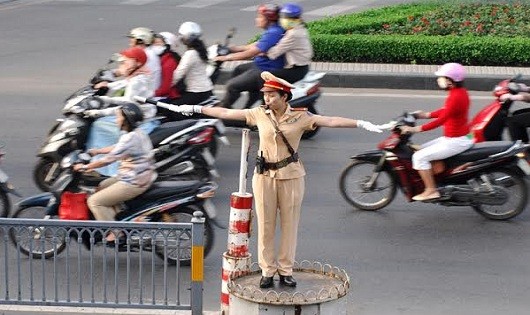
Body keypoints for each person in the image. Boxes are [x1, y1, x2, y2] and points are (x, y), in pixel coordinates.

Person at [168, 71, 382, 288]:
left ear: (284, 97)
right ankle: (267, 270)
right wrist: (195, 109)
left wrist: (361, 123)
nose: (267, 99)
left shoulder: (301, 117)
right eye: (265, 95)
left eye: (271, 95)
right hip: (263, 177)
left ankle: (286, 270)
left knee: (290, 225)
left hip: (292, 176)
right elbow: (226, 112)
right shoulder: (259, 114)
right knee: (266, 225)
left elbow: (330, 120)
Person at [74, 103, 156, 243]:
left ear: (125, 120)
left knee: (94, 201)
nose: (116, 120)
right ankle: (119, 218)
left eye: (118, 117)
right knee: (102, 186)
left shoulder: (130, 138)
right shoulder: (137, 133)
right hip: (139, 174)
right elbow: (118, 148)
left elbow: (108, 160)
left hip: (134, 181)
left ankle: (116, 232)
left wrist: (86, 167)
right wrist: (97, 151)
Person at [400, 63, 474, 201]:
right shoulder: (460, 92)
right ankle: (438, 174)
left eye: (442, 78)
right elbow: (446, 111)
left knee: (419, 157)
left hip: (456, 141)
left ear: (451, 80)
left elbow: (441, 120)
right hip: (458, 137)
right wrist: (426, 114)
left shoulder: (455, 97)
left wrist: (415, 129)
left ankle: (431, 190)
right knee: (421, 149)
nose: (439, 80)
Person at [85, 47, 158, 176]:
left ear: (138, 63)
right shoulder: (139, 74)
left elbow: (126, 103)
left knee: (99, 125)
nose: (123, 63)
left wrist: (103, 104)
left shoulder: (138, 79)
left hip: (139, 115)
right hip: (140, 111)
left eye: (127, 61)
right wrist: (106, 85)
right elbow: (123, 84)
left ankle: (106, 170)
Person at [214, 4, 285, 109]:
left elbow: (252, 52)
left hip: (265, 69)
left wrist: (226, 58)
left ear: (268, 19)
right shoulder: (273, 30)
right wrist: (234, 48)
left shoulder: (273, 33)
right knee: (238, 69)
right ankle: (251, 99)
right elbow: (256, 45)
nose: (257, 19)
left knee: (231, 86)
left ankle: (224, 110)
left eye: (260, 17)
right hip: (262, 65)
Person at [159, 22, 214, 121]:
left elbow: (178, 74)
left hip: (196, 92)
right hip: (205, 90)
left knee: (171, 109)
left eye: (181, 35)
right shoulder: (200, 50)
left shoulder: (190, 54)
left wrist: (164, 88)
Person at [267, 2, 312, 84]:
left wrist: (262, 52)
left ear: (294, 19)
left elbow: (274, 53)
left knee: (263, 76)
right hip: (302, 67)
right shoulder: (300, 28)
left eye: (285, 18)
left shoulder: (293, 34)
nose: (282, 20)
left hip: (296, 71)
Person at [152, 31, 181, 100]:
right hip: (162, 95)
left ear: (167, 46)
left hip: (171, 97)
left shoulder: (169, 63)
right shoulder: (159, 60)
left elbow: (166, 89)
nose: (154, 46)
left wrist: (149, 94)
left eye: (158, 43)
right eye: (154, 43)